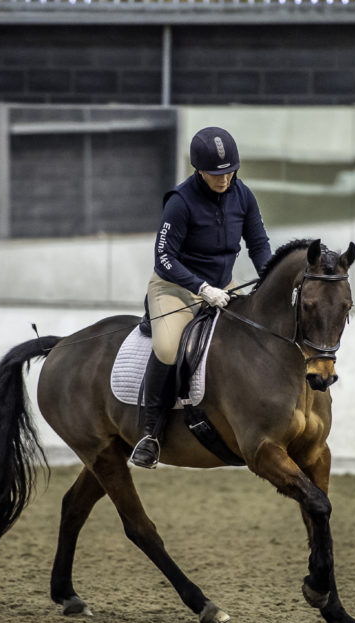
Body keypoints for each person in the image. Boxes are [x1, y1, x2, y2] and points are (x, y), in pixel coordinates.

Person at [129, 126, 272, 469]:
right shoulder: (180, 202)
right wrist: (202, 288)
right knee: (167, 348)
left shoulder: (244, 195)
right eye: (215, 174)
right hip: (175, 288)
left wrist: (268, 277)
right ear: (198, 169)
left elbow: (258, 243)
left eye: (229, 172)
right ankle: (151, 434)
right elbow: (164, 258)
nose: (224, 180)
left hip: (223, 286)